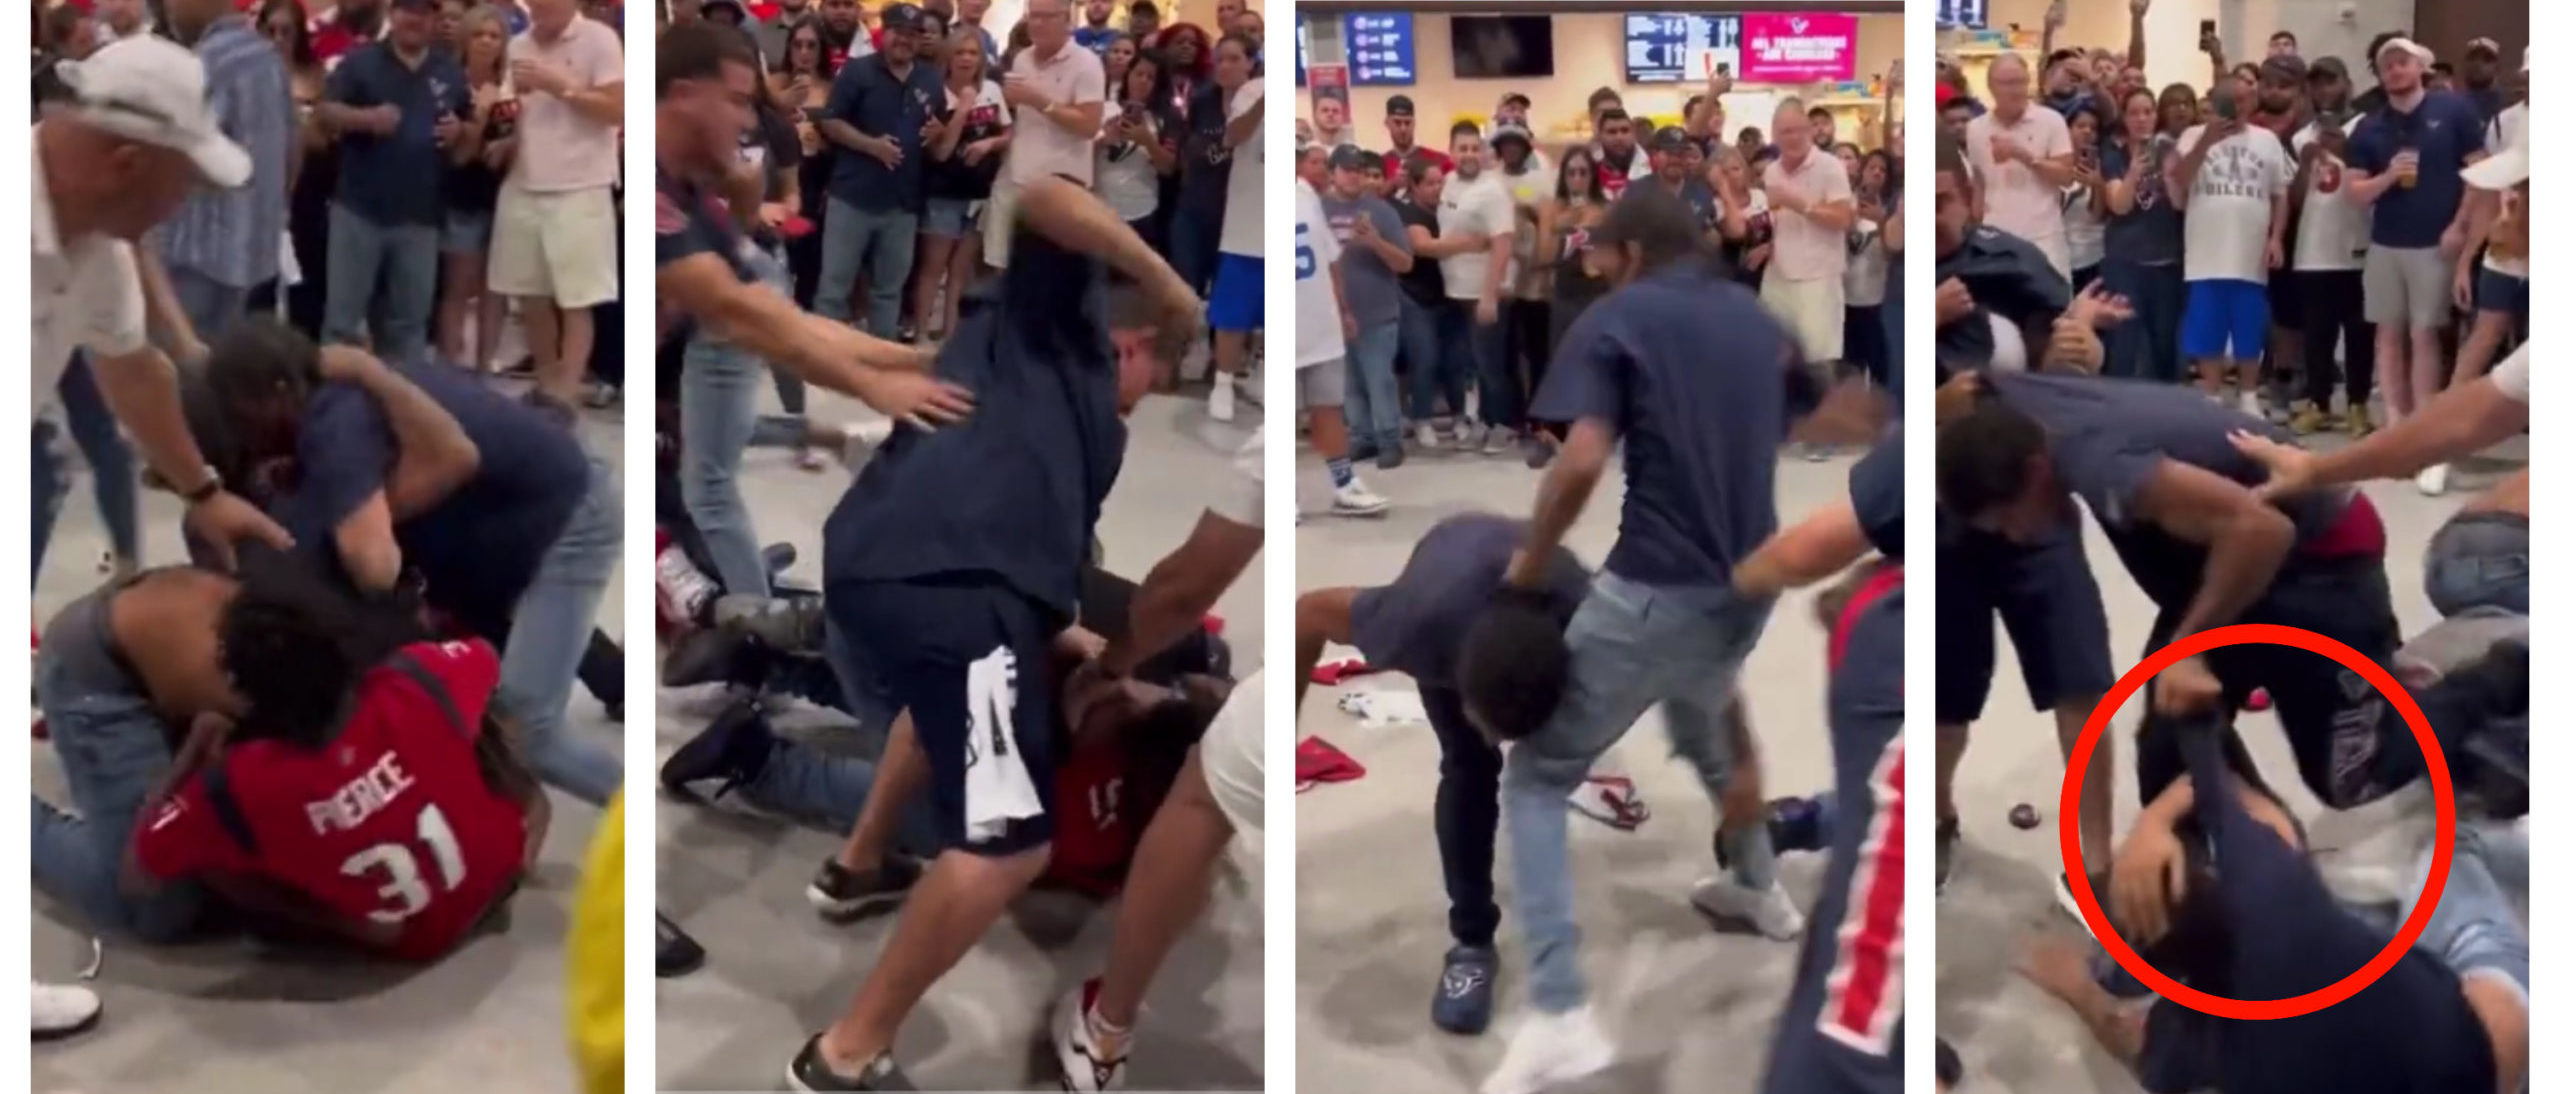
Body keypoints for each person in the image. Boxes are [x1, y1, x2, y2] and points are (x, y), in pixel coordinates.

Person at [782, 174, 1195, 1091]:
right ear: (1132, 344)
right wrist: (1165, 281)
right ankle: (843, 1057)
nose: (1150, 390)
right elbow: (1045, 193)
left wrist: (1071, 642)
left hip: (897, 580)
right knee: (1012, 843)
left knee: (957, 707)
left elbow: (1046, 557)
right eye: (1154, 368)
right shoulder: (1055, 326)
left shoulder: (1075, 421)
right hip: (952, 595)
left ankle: (859, 865)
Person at [1482, 187, 1802, 1094]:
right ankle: (1759, 886)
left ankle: (1559, 1012)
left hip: (1658, 584)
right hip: (1753, 581)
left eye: (1598, 251)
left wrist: (1529, 568)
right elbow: (1816, 409)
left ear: (1622, 252)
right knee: (1705, 723)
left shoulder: (1619, 317)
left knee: (1539, 774)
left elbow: (1580, 459)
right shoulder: (1749, 312)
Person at [1936, 370, 2528, 815]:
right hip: (2230, 557)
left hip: (2318, 562)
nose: (2016, 538)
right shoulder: (2004, 404)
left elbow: (2262, 530)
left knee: (2350, 775)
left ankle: (2497, 676)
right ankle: (2211, 900)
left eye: (2009, 521)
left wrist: (2192, 643)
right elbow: (1958, 390)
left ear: (2036, 475)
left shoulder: (2101, 462)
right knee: (2172, 735)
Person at [2016, 713, 2526, 1094]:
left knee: (2364, 910)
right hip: (2490, 1038)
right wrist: (2159, 820)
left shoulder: (2209, 1047)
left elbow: (2127, 1033)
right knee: (2451, 845)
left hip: (2405, 1045)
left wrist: (2075, 986)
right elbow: (2230, 787)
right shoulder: (2281, 909)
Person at [1293, 516, 1592, 1036]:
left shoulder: (1593, 623)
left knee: (1542, 774)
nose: (1502, 740)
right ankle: (1472, 942)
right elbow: (1307, 611)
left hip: (1538, 578)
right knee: (1469, 765)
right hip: (1452, 556)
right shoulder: (1415, 627)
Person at [36, 36, 295, 572]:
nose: (181, 206)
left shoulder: (97, 250)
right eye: (185, 185)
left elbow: (132, 371)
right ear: (126, 164)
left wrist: (204, 493)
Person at [1732, 428, 1906, 1094]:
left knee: (1879, 835)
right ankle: (1822, 817)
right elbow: (1807, 551)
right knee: (1879, 848)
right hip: (1888, 635)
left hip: (1886, 624)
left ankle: (1816, 817)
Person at [2345, 37, 2483, 496]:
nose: (2394, 72)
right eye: (2386, 66)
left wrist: (2460, 227)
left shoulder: (2454, 112)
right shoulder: (2369, 127)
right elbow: (2355, 192)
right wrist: (2387, 176)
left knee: (2424, 334)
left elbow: (2478, 176)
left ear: (2419, 67)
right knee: (2387, 332)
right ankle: (2395, 426)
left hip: (2433, 244)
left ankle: (2424, 432)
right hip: (2386, 243)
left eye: (2401, 63)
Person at [490, 0, 625, 407]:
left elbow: (618, 109)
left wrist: (559, 86)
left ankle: (568, 389)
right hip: (525, 181)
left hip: (579, 185)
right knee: (528, 291)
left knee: (577, 297)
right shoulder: (517, 45)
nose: (539, 7)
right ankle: (547, 380)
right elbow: (514, 109)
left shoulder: (600, 40)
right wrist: (502, 133)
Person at [812, 2, 940, 338]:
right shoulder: (857, 71)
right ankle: (824, 363)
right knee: (833, 289)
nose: (905, 40)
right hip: (853, 198)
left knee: (888, 291)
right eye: (899, 31)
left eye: (913, 35)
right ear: (886, 32)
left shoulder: (931, 78)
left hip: (903, 204)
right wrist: (871, 146)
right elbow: (829, 121)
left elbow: (935, 132)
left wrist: (939, 133)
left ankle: (879, 361)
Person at [2170, 73, 2293, 418]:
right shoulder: (2193, 136)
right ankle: (2210, 395)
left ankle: (2249, 395)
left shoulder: (2267, 140)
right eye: (2230, 100)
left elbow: (2279, 194)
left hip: (2250, 252)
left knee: (2249, 325)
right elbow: (2180, 181)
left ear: (2252, 103)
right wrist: (2206, 141)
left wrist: (2276, 238)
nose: (2237, 108)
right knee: (2207, 325)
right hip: (2206, 252)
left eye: (2243, 100)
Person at [1320, 146, 1413, 469]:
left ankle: (1390, 439)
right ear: (1332, 173)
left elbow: (1405, 263)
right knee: (1349, 384)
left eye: (1358, 169)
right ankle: (1361, 437)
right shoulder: (1317, 209)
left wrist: (1375, 242)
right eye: (1346, 169)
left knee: (1379, 380)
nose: (1354, 175)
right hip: (1333, 315)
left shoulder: (1382, 212)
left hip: (1377, 315)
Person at [1199, 34, 1263, 422]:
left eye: (1234, 58)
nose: (1226, 66)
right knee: (1232, 313)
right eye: (1221, 59)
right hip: (1244, 224)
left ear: (1251, 61)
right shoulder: (1252, 92)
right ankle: (1222, 382)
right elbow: (1233, 135)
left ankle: (1259, 374)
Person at [1968, 53, 2075, 278]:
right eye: (2006, 83)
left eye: (2020, 82)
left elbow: (2066, 175)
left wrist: (2024, 156)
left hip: (2043, 238)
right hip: (1995, 241)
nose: (2014, 90)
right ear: (1991, 86)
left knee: (2052, 309)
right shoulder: (1975, 128)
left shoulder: (2051, 120)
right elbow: (1979, 183)